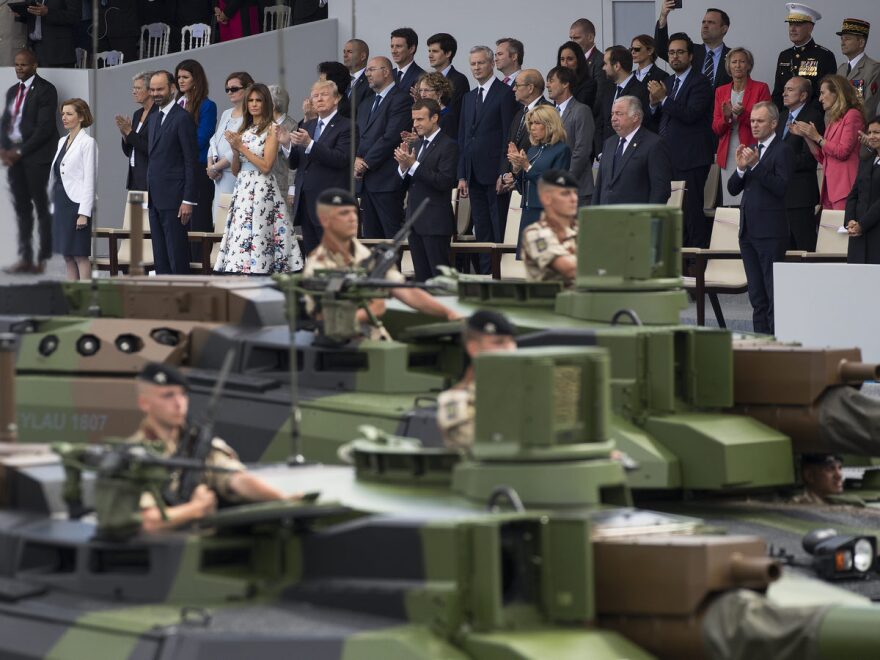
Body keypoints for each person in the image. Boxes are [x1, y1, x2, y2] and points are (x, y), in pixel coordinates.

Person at [131, 362, 293, 533]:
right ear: (144, 403)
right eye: (168, 395)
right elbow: (148, 522)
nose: (179, 403)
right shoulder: (134, 455)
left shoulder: (199, 445)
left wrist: (284, 500)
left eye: (183, 395)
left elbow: (237, 479)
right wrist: (196, 508)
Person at [302, 188, 460, 340]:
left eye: (353, 212)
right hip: (341, 347)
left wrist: (448, 313)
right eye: (343, 213)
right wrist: (372, 309)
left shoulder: (368, 256)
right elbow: (324, 320)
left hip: (376, 340)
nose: (352, 218)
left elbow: (405, 291)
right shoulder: (317, 266)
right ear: (325, 220)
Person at [214, 83, 301, 274]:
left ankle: (262, 274)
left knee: (261, 233)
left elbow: (266, 166)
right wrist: (236, 151)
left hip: (262, 189)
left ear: (266, 103)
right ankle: (243, 272)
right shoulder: (244, 129)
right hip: (243, 188)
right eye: (251, 100)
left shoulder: (272, 128)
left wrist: (242, 147)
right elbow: (236, 170)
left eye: (258, 100)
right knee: (243, 233)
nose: (254, 104)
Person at [727, 101, 794, 335]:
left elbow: (781, 187)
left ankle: (777, 347)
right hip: (747, 232)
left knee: (773, 295)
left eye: (760, 121)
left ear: (774, 123)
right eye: (753, 120)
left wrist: (756, 166)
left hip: (771, 234)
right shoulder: (751, 149)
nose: (754, 125)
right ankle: (760, 344)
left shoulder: (782, 150)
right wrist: (741, 169)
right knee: (757, 298)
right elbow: (733, 188)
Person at [647, 33, 714, 248]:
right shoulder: (666, 81)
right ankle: (679, 265)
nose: (675, 57)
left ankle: (698, 269)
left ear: (691, 56)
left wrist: (663, 99)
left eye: (680, 52)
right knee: (673, 214)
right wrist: (654, 104)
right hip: (667, 158)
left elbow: (690, 114)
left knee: (692, 214)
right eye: (672, 53)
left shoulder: (701, 82)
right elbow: (658, 118)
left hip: (691, 159)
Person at [457, 46, 518, 274]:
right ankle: (484, 275)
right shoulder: (468, 97)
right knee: (481, 228)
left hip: (494, 174)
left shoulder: (504, 94)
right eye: (473, 64)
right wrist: (462, 173)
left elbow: (507, 136)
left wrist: (503, 171)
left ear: (491, 64)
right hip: (473, 173)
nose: (476, 67)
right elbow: (463, 137)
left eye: (480, 63)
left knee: (497, 225)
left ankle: (499, 275)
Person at [1, 49, 58, 274]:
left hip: (36, 158)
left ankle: (43, 259)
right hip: (15, 158)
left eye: (23, 65)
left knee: (41, 207)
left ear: (34, 65)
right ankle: (26, 257)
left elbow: (45, 129)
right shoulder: (12, 91)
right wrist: (4, 148)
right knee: (22, 208)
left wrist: (20, 151)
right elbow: (6, 121)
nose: (18, 69)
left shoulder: (46, 90)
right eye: (16, 65)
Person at [280, 79, 352, 255]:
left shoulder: (347, 126)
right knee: (312, 256)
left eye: (324, 95)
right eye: (315, 96)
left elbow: (341, 159)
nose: (318, 99)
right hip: (306, 202)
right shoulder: (307, 125)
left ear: (336, 99)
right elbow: (296, 163)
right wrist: (286, 145)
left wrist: (310, 144)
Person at [394, 99, 459, 281]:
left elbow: (443, 182)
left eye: (420, 119)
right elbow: (404, 185)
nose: (415, 125)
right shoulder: (417, 145)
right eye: (414, 120)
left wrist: (413, 165)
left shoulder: (448, 145)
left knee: (440, 281)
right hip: (414, 222)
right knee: (422, 280)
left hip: (435, 224)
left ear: (435, 118)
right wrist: (403, 168)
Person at [436, 310, 517, 452]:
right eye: (498, 343)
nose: (510, 349)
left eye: (512, 341)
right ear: (474, 348)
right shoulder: (455, 400)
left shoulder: (527, 387)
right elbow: (470, 442)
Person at [146, 71, 197, 275]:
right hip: (155, 197)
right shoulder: (153, 117)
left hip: (175, 199)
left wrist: (188, 200)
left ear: (172, 89)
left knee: (177, 254)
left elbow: (190, 162)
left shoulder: (182, 118)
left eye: (160, 89)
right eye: (152, 89)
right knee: (160, 255)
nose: (156, 93)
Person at [356, 56, 412, 240]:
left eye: (372, 70)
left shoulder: (401, 99)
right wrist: (355, 158)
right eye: (367, 70)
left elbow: (390, 137)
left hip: (387, 180)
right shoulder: (365, 103)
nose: (367, 74)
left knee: (391, 236)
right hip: (366, 182)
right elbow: (357, 136)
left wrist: (365, 163)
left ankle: (393, 270)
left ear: (386, 72)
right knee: (371, 238)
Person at [790, 74, 864, 210]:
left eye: (823, 93)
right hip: (829, 190)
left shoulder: (853, 115)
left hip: (845, 189)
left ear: (837, 92)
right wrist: (807, 136)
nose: (820, 98)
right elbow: (823, 158)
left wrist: (818, 137)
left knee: (842, 230)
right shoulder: (833, 120)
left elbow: (842, 152)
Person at [712, 48, 772, 206]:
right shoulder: (720, 91)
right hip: (728, 152)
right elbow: (716, 128)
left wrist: (744, 114)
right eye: (734, 62)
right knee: (731, 201)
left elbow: (766, 122)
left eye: (742, 61)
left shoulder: (761, 88)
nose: (738, 65)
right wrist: (727, 118)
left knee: (751, 200)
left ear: (749, 65)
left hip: (752, 151)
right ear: (728, 66)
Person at [508, 105, 571, 246]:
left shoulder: (561, 150)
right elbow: (521, 189)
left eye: (537, 123)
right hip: (528, 212)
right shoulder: (532, 150)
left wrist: (527, 166)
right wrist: (517, 169)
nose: (532, 128)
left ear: (550, 124)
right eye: (530, 123)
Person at [593, 97, 672, 206]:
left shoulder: (654, 144)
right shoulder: (609, 143)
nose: (613, 118)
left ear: (635, 117)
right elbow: (599, 186)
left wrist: (649, 219)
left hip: (636, 219)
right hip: (606, 217)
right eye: (612, 114)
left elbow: (660, 189)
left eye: (619, 114)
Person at [50, 98, 96, 281]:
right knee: (67, 255)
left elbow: (90, 179)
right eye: (62, 114)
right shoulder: (62, 141)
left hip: (76, 204)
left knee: (79, 255)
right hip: (60, 202)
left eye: (69, 114)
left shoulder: (88, 142)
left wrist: (84, 212)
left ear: (82, 117)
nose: (64, 117)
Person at [175, 60, 217, 257]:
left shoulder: (208, 106)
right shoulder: (176, 103)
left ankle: (202, 269)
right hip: (178, 170)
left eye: (185, 77)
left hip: (198, 169)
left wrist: (174, 148)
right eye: (179, 77)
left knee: (198, 222)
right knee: (179, 222)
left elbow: (202, 137)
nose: (180, 81)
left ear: (196, 80)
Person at [778, 76, 823, 251]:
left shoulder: (813, 117)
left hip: (800, 194)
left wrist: (779, 162)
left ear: (803, 95)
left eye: (790, 90)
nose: (784, 93)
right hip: (781, 193)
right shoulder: (782, 116)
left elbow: (810, 158)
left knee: (804, 246)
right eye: (784, 89)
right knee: (785, 248)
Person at [771, 4, 837, 111]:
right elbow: (778, 93)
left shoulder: (824, 56)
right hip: (785, 118)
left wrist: (804, 116)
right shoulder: (784, 56)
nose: (792, 29)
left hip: (811, 120)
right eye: (790, 24)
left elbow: (826, 94)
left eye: (798, 24)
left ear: (810, 28)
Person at [207, 71, 254, 221]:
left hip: (234, 173)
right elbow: (214, 140)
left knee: (232, 220)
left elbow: (237, 146)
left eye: (234, 89)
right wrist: (210, 165)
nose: (229, 92)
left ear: (248, 88)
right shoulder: (226, 113)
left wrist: (215, 167)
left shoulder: (251, 116)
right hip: (218, 176)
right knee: (218, 220)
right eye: (227, 89)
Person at [654, 2, 732, 91]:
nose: (705, 26)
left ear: (724, 29)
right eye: (703, 22)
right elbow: (661, 49)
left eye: (711, 22)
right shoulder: (691, 51)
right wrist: (663, 17)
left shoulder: (733, 56)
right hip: (691, 103)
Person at [546, 66, 595, 207]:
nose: (548, 85)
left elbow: (582, 149)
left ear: (565, 83)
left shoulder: (581, 110)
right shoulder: (551, 113)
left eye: (552, 80)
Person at [521, 169, 580, 287]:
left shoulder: (583, 229)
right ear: (546, 198)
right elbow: (569, 269)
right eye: (565, 193)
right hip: (553, 302)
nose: (574, 199)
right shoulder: (536, 233)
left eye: (575, 193)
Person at [498, 69, 551, 193]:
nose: (513, 89)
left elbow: (543, 151)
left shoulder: (547, 112)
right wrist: (506, 174)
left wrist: (517, 176)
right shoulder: (519, 113)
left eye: (517, 85)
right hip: (513, 185)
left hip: (535, 185)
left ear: (530, 88)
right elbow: (510, 146)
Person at [595, 46, 650, 157]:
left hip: (631, 155)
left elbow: (642, 125)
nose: (603, 68)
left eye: (606, 64)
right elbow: (600, 121)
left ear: (617, 66)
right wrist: (600, 151)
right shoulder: (607, 88)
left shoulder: (641, 91)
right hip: (606, 154)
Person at [844, 117, 880, 264]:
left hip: (875, 233)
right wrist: (850, 221)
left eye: (877, 132)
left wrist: (862, 225)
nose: (871, 136)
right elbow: (853, 195)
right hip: (858, 236)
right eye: (869, 132)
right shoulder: (866, 162)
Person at [117, 71, 156, 192]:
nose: (134, 92)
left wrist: (129, 132)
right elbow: (129, 151)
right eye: (133, 88)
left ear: (150, 90)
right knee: (135, 212)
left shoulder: (158, 114)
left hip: (150, 179)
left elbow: (152, 148)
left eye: (138, 88)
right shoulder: (137, 114)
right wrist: (125, 135)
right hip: (134, 178)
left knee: (148, 212)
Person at [836, 19, 880, 121]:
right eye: (841, 39)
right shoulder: (841, 69)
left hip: (858, 129)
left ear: (861, 43)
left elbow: (869, 107)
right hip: (837, 129)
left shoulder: (874, 69)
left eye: (847, 39)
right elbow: (832, 103)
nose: (842, 43)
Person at [17, 0, 78, 68]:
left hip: (58, 51)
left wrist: (48, 12)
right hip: (33, 48)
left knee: (56, 78)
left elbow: (75, 16)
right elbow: (35, 17)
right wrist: (21, 14)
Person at [267, 85, 296, 215]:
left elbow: (295, 162)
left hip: (282, 188)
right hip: (264, 186)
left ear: (272, 105)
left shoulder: (292, 126)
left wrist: (292, 188)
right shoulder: (263, 125)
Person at [426, 33, 470, 111]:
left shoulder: (459, 80)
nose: (430, 55)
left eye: (435, 51)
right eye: (429, 51)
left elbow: (456, 113)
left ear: (448, 53)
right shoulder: (427, 80)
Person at [414, 71, 457, 139]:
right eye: (420, 90)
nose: (422, 94)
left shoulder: (447, 117)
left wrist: (419, 140)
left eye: (426, 90)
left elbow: (445, 144)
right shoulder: (425, 113)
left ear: (439, 93)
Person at [557, 41, 595, 110]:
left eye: (570, 59)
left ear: (579, 61)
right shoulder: (558, 83)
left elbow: (579, 110)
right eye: (562, 59)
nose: (565, 64)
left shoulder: (589, 84)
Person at [390, 27, 424, 95]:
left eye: (398, 46)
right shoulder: (389, 75)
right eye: (392, 46)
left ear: (411, 49)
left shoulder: (422, 77)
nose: (393, 51)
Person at [568, 18, 604, 83]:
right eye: (571, 38)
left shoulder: (600, 61)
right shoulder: (570, 61)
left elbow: (600, 92)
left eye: (576, 38)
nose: (572, 42)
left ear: (590, 38)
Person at [343, 38, 372, 112]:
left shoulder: (370, 80)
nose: (345, 55)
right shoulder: (342, 80)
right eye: (344, 52)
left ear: (362, 56)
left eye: (350, 52)